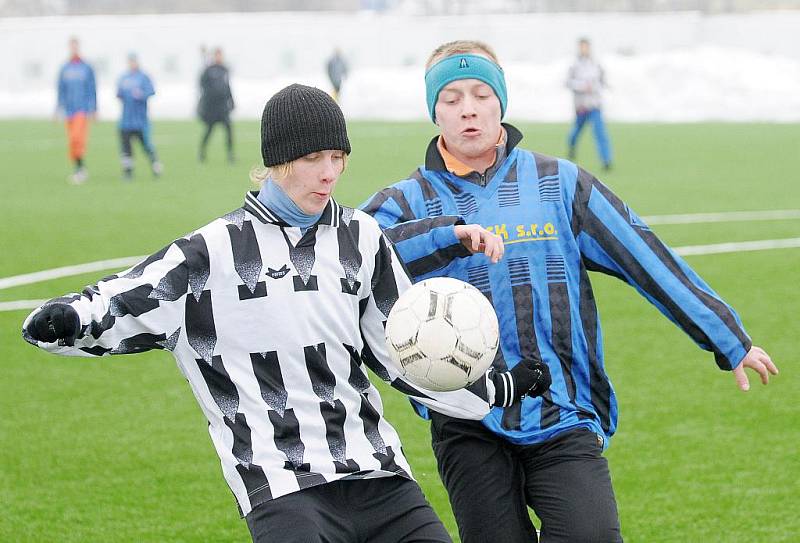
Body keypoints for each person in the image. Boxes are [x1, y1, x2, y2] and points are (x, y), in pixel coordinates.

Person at [22, 83, 548, 543]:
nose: (329, 173)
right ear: (277, 161)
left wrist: (496, 389)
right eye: (313, 158)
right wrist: (68, 319)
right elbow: (124, 299)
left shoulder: (360, 239)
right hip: (280, 484)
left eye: (338, 157)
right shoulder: (211, 253)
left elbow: (405, 352)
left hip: (377, 474)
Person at [361, 40, 779, 542]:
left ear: (501, 103)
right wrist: (446, 235)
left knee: (592, 535)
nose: (468, 109)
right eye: (451, 98)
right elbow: (347, 257)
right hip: (466, 416)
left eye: (480, 94)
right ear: (434, 112)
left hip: (561, 406)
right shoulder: (402, 203)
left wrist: (727, 337)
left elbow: (644, 255)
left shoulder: (559, 183)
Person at [566, 37, 612, 171]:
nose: (584, 49)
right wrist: (581, 86)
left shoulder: (596, 64)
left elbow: (603, 82)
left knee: (600, 132)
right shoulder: (574, 65)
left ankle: (606, 160)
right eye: (582, 46)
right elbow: (568, 82)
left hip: (594, 105)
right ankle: (572, 147)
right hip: (581, 106)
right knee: (576, 131)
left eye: (586, 46)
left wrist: (595, 86)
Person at [116, 53, 163, 180]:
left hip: (140, 120)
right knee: (126, 148)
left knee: (146, 146)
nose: (132, 63)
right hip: (126, 120)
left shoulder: (143, 77)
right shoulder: (124, 78)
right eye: (130, 61)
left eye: (134, 61)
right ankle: (128, 172)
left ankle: (155, 166)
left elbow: (151, 91)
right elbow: (119, 93)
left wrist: (142, 94)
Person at [56, 37, 96, 184]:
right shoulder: (65, 67)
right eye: (71, 46)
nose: (73, 49)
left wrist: (94, 108)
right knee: (72, 141)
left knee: (77, 138)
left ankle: (80, 169)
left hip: (82, 109)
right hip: (69, 110)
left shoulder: (86, 67)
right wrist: (58, 108)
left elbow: (92, 88)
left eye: (75, 46)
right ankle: (79, 168)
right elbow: (60, 89)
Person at [198, 47, 234, 163]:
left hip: (223, 106)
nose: (219, 57)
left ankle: (230, 154)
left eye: (220, 55)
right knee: (209, 130)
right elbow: (202, 85)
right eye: (217, 55)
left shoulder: (225, 69)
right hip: (212, 107)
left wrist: (231, 100)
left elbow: (227, 85)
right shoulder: (208, 70)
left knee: (229, 130)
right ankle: (202, 153)